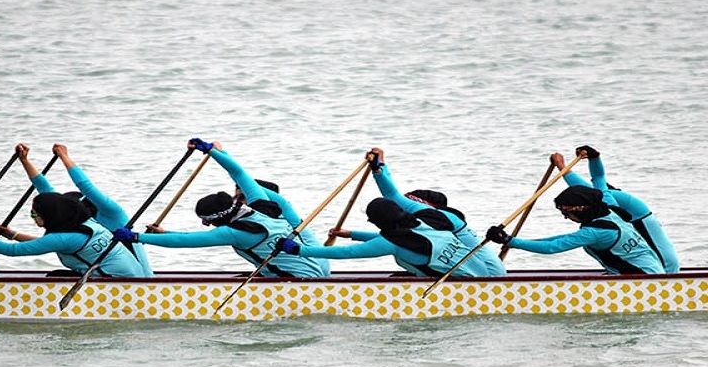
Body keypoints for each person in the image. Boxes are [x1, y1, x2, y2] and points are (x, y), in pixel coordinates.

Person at [110, 139, 328, 278]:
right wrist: (213, 152)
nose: (206, 226)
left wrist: (136, 237)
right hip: (318, 268)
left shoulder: (234, 233)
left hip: (301, 280)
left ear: (213, 220)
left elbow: (185, 242)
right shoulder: (264, 206)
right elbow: (240, 174)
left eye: (205, 221)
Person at [0, 148, 145, 277]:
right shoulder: (82, 223)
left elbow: (13, 252)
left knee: (53, 277)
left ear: (51, 215)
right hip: (126, 275)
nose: (33, 218)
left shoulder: (68, 235)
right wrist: (25, 161)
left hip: (118, 283)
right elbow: (46, 191)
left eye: (35, 214)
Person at [364, 147, 506, 276]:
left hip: (488, 274)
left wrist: (379, 168)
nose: (403, 209)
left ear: (423, 203)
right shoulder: (431, 218)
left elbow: (392, 198)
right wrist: (378, 167)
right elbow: (393, 199)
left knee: (406, 255)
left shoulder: (438, 218)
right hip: (476, 271)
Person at [276, 197, 488, 277]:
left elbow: (346, 253)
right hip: (485, 274)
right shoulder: (421, 223)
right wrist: (352, 234)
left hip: (466, 285)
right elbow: (386, 241)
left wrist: (298, 250)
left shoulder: (391, 242)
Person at [551, 145, 679, 272]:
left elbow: (589, 185)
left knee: (668, 265)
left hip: (639, 217)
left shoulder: (605, 198)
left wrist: (562, 167)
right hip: (628, 215)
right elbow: (594, 180)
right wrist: (592, 158)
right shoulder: (601, 197)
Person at [485, 185, 665, 274]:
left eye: (566, 212)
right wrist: (594, 158)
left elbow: (552, 247)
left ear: (582, 209)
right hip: (654, 272)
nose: (565, 217)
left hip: (643, 278)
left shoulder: (595, 232)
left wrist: (509, 241)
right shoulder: (608, 209)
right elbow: (600, 181)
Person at [34, 143, 154, 276]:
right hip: (109, 278)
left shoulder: (114, 214)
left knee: (55, 276)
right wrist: (25, 160)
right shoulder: (82, 226)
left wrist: (64, 157)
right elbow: (47, 194)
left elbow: (86, 186)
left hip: (134, 281)